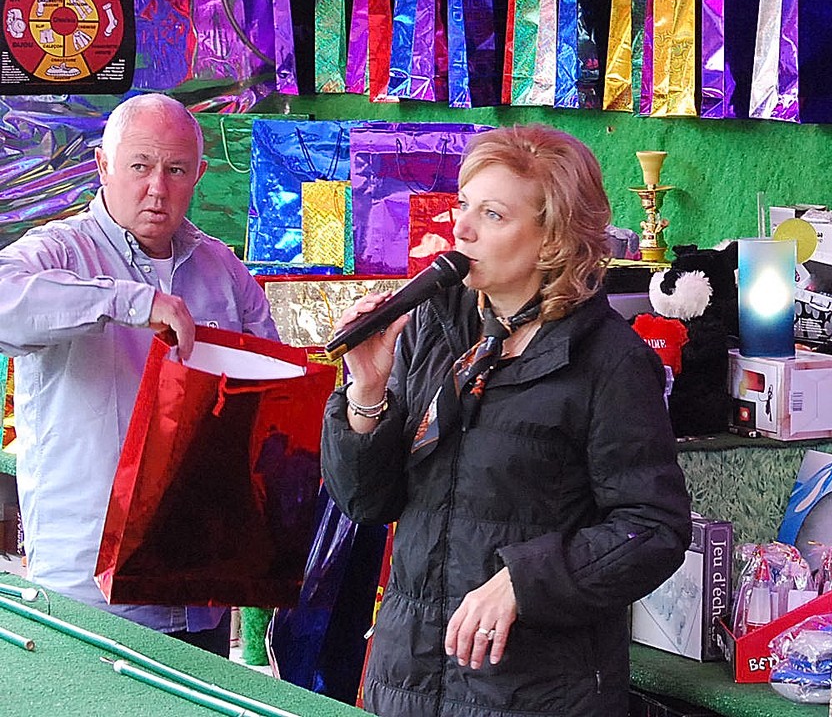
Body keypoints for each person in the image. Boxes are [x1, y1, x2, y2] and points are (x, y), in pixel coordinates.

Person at [322, 124, 691, 717]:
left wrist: (523, 580)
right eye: (464, 205)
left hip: (537, 692)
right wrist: (366, 390)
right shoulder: (432, 327)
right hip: (410, 680)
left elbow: (652, 528)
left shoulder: (609, 361)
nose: (461, 227)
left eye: (492, 214)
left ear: (553, 240)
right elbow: (366, 502)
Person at [0, 94, 276, 654]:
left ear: (199, 173)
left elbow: (266, 388)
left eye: (175, 170)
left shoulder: (221, 267)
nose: (158, 188)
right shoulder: (59, 250)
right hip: (89, 592)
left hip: (199, 582)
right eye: (140, 166)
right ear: (103, 165)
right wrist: (130, 302)